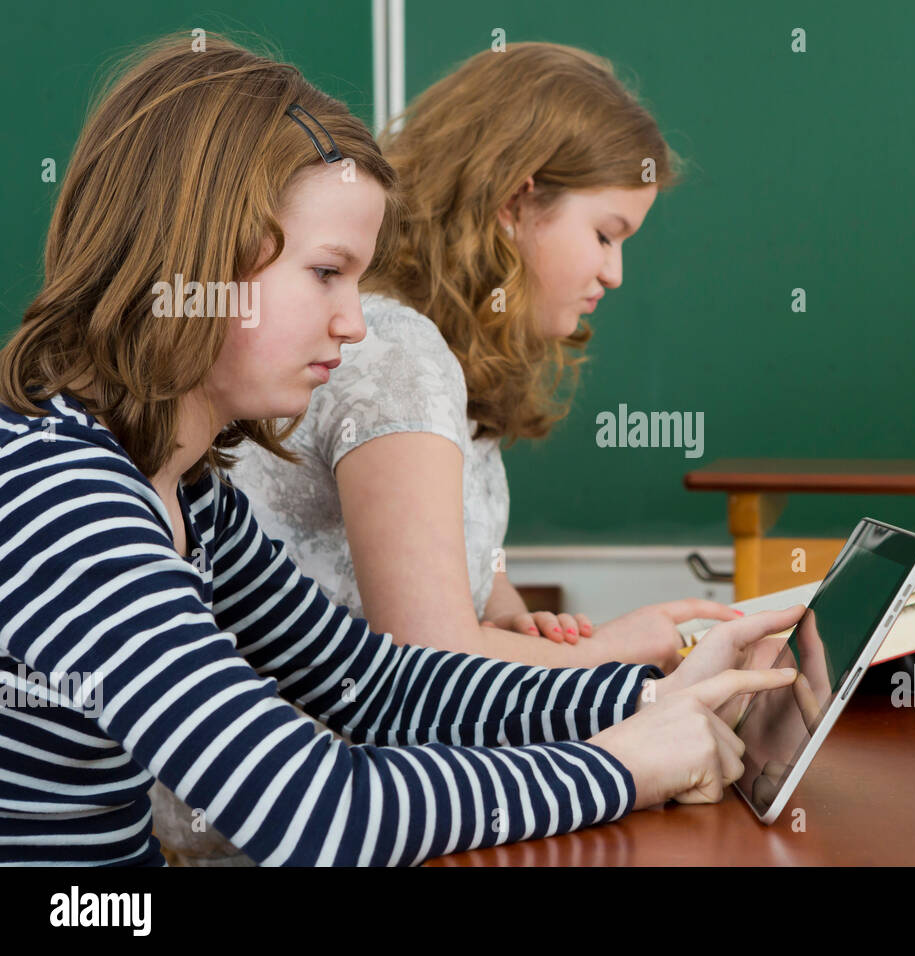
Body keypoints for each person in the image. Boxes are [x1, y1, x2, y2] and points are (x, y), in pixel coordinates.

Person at [0, 33, 801, 866]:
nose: (353, 323)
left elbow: (380, 685)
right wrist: (618, 766)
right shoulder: (61, 493)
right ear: (197, 259)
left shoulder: (184, 493)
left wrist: (652, 695)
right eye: (325, 273)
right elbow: (314, 811)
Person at [231, 42, 723, 675]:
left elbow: (458, 572)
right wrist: (615, 650)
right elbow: (428, 659)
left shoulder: (436, 353)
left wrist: (509, 613)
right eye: (605, 234)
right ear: (516, 205)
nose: (615, 273)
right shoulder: (396, 353)